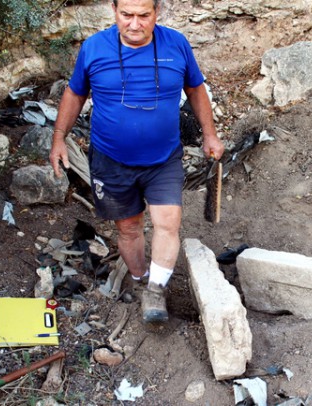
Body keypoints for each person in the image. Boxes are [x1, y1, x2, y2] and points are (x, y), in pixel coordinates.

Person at [49, 0, 224, 323]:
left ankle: (156, 291)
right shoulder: (94, 49)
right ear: (114, 11)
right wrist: (59, 137)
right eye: (126, 15)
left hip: (163, 158)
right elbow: (75, 93)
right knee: (129, 228)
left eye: (144, 15)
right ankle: (142, 278)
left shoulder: (177, 44)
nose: (134, 24)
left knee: (167, 222)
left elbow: (196, 88)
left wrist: (209, 134)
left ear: (158, 12)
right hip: (110, 160)